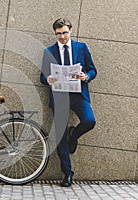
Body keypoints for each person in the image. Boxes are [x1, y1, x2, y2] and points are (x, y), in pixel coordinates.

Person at [40, 18, 97, 187]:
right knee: (60, 137)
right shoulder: (49, 51)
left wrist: (86, 76)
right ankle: (68, 174)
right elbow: (42, 77)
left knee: (89, 121)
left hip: (79, 95)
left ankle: (74, 135)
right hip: (59, 98)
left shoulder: (81, 47)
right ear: (55, 34)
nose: (62, 37)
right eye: (58, 34)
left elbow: (93, 69)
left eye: (65, 32)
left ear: (70, 30)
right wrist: (48, 79)